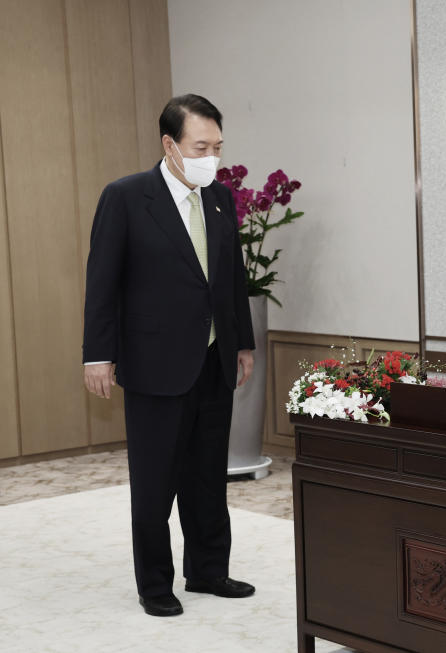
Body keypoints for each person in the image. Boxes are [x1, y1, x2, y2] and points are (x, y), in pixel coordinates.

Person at [82, 94, 256, 617]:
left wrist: (243, 341)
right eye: (201, 146)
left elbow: (232, 279)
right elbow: (102, 282)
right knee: (156, 483)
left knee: (207, 476)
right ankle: (155, 585)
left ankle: (208, 571)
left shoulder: (220, 198)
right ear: (169, 145)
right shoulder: (128, 197)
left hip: (212, 361)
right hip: (155, 364)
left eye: (217, 147)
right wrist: (97, 354)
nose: (212, 156)